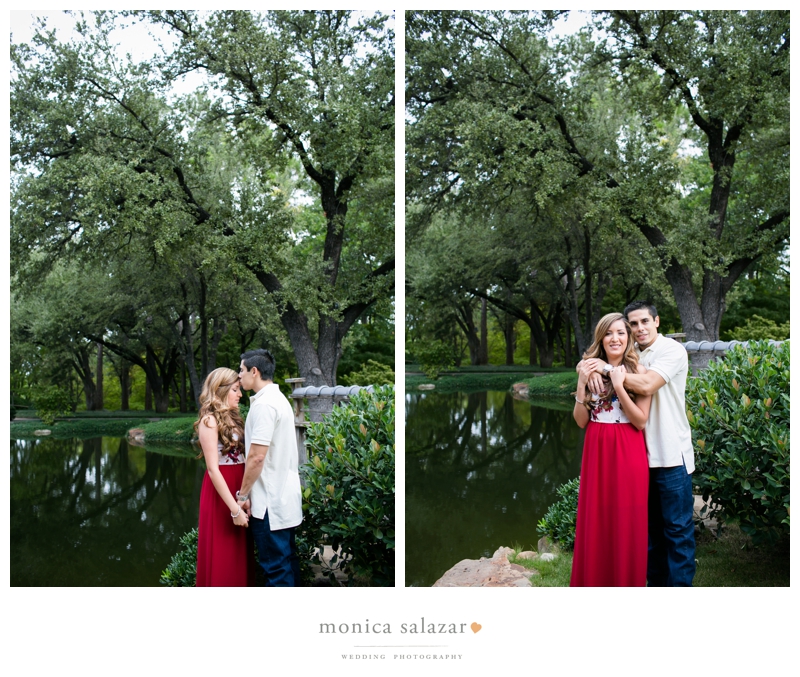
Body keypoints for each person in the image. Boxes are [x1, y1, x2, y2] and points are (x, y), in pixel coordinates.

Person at [583, 301, 696, 586]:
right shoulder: (634, 355)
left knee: (677, 532)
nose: (639, 328)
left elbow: (645, 386)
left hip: (670, 455)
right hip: (640, 458)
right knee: (650, 535)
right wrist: (590, 369)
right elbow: (598, 356)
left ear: (657, 321)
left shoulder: (671, 350)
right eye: (633, 324)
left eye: (644, 321)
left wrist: (605, 369)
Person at [570, 313, 651, 587]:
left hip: (628, 448)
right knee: (597, 518)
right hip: (596, 447)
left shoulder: (640, 372)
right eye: (608, 333)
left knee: (627, 520)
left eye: (621, 333)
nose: (615, 338)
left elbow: (640, 421)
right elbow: (581, 421)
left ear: (628, 338)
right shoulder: (588, 368)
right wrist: (582, 383)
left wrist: (619, 385)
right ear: (601, 338)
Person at [235, 349, 303, 586]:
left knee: (276, 571)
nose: (239, 376)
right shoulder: (280, 399)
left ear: (254, 372)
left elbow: (256, 457)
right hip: (284, 499)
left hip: (269, 505)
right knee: (287, 563)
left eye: (241, 370)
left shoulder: (264, 405)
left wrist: (242, 496)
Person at [195, 367, 255, 587]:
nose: (240, 395)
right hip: (221, 491)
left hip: (240, 485)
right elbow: (213, 469)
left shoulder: (236, 418)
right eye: (236, 390)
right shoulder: (209, 421)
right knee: (223, 551)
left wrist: (246, 494)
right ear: (220, 390)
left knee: (240, 551)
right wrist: (235, 508)